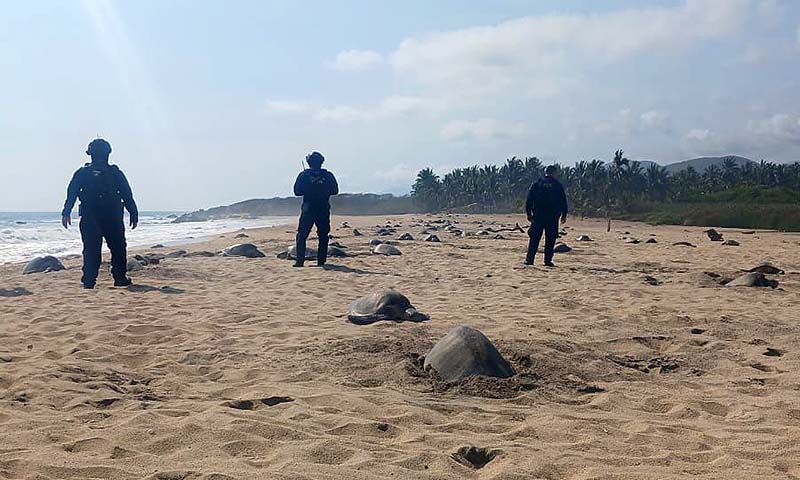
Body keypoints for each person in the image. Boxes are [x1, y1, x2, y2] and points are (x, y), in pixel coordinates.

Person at [61, 138, 138, 288]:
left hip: (97, 217)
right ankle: (116, 279)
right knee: (115, 249)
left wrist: (66, 212)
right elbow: (127, 194)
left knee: (95, 250)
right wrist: (133, 213)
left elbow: (72, 193)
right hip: (108, 216)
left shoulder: (85, 173)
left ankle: (91, 281)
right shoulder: (113, 173)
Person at [292, 151, 339, 267]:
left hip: (308, 208)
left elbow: (297, 192)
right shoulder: (328, 175)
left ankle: (299, 262)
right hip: (323, 208)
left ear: (309, 163)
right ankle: (321, 261)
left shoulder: (303, 175)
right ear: (321, 162)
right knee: (323, 236)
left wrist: (309, 189)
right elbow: (335, 191)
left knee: (302, 235)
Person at [525, 165, 568, 267]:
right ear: (554, 173)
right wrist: (564, 214)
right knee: (550, 239)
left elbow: (529, 199)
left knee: (534, 239)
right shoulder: (557, 185)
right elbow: (563, 201)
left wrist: (528, 213)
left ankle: (529, 260)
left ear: (546, 172)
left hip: (538, 215)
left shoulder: (537, 184)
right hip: (552, 217)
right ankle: (547, 261)